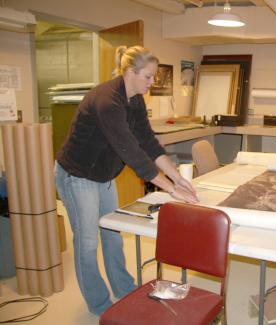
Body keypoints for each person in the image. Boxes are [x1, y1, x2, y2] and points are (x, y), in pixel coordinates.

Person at [54, 45, 198, 315]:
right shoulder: (107, 101)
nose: (153, 82)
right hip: (78, 175)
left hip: (104, 175)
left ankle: (123, 288)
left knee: (112, 234)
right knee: (87, 243)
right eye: (149, 76)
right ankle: (100, 306)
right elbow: (131, 152)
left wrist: (178, 178)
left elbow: (149, 144)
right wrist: (169, 189)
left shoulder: (135, 100)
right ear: (131, 72)